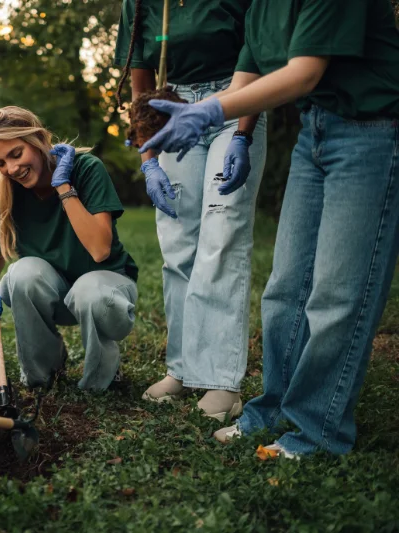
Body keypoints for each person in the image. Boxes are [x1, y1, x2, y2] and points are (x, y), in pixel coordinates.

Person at [138, 0, 399, 457]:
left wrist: (212, 113)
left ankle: (317, 431)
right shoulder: (261, 4)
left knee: (336, 296)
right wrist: (239, 135)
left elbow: (303, 73)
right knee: (284, 291)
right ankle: (273, 410)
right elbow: (252, 66)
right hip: (314, 131)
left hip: (371, 133)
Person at [114, 0, 267, 421]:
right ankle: (182, 369)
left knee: (221, 236)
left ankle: (222, 382)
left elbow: (256, 56)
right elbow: (141, 87)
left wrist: (242, 136)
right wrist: (148, 161)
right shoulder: (140, 3)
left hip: (234, 102)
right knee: (179, 243)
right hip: (173, 108)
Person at [0, 106, 139, 392]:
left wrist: (64, 187)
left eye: (16, 154)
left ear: (39, 140)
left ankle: (101, 380)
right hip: (55, 294)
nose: (11, 169)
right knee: (20, 274)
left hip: (106, 291)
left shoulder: (86, 169)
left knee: (89, 291)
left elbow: (99, 250)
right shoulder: (7, 189)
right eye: (0, 163)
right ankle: (42, 376)